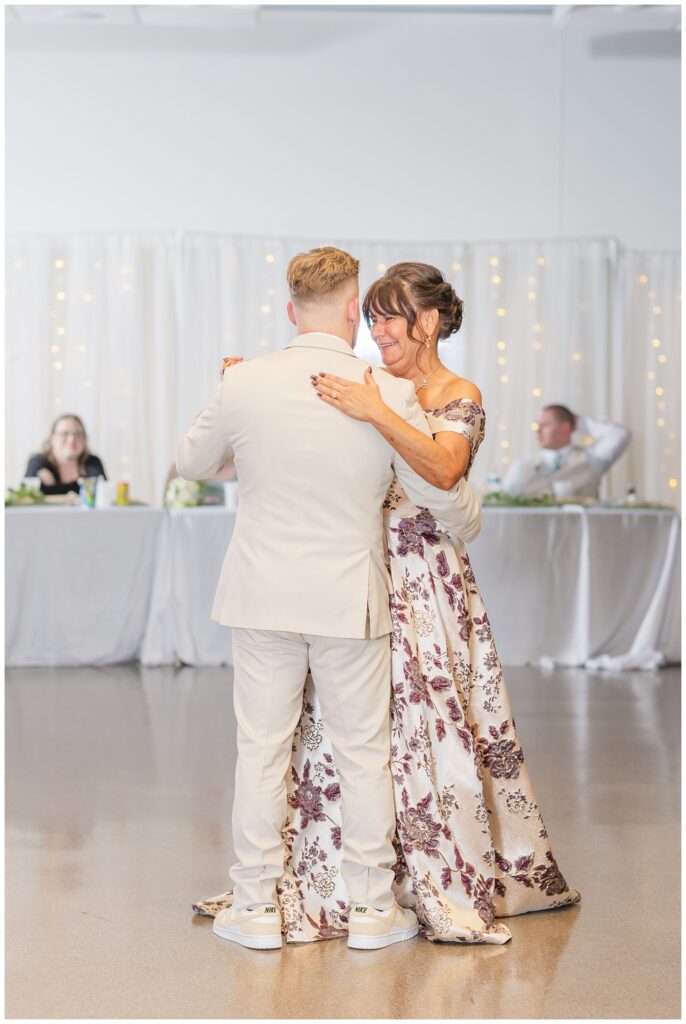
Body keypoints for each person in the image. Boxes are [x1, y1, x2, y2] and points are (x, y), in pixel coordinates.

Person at [196, 262, 580, 945]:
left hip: (423, 578)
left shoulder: (445, 392)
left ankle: (422, 876)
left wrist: (372, 410)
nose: (378, 329)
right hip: (357, 572)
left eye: (391, 315)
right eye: (371, 316)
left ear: (428, 323)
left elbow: (445, 471)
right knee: (343, 744)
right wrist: (249, 393)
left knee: (423, 731)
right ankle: (349, 886)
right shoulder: (365, 383)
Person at [176, 247, 483, 952]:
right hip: (351, 599)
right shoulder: (387, 391)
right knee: (364, 754)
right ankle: (374, 909)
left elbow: (192, 462)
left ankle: (254, 907)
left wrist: (227, 393)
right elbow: (446, 498)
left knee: (260, 751)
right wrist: (469, 519)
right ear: (353, 309)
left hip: (260, 597)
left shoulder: (245, 381)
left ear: (290, 311)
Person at [503, 404, 630, 499]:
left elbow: (620, 434)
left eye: (545, 425)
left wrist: (579, 422)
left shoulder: (592, 460)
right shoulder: (521, 467)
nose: (538, 431)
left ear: (565, 428)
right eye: (538, 425)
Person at [25, 414, 106, 496]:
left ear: (84, 439)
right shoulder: (38, 463)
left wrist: (52, 487)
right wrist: (83, 486)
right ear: (52, 438)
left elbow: (104, 492)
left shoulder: (93, 462)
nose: (71, 439)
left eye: (77, 434)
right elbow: (28, 496)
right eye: (64, 434)